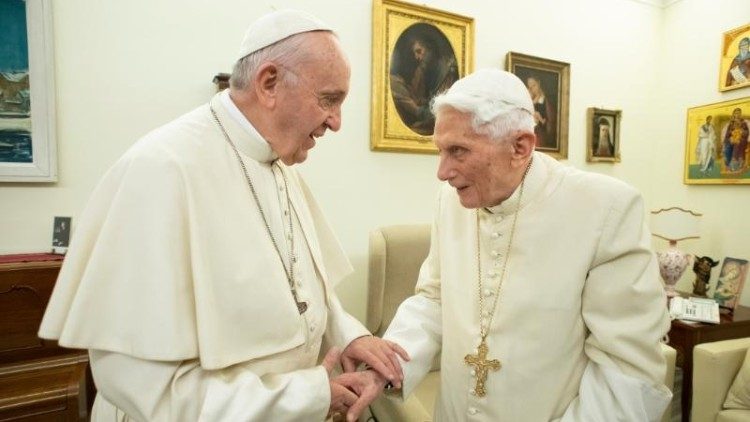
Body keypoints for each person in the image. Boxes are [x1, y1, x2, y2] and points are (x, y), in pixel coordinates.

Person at [38, 10, 406, 422]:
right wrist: (309, 394)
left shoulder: (279, 165)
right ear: (269, 83)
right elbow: (146, 389)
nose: (336, 122)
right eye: (329, 99)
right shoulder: (162, 169)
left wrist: (348, 334)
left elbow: (302, 291)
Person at [357, 69, 673, 420]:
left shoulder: (606, 209)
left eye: (458, 151)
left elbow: (627, 369)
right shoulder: (450, 200)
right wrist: (385, 368)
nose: (442, 172)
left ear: (520, 147)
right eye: (441, 151)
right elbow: (434, 299)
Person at [390, 30, 458, 136]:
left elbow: (429, 105)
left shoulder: (426, 71)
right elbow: (420, 108)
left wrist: (420, 109)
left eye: (419, 51)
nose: (418, 57)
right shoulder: (398, 81)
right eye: (413, 53)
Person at [525, 76, 556, 149]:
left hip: (541, 141)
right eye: (529, 87)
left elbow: (552, 127)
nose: (532, 89)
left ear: (538, 83)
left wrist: (541, 120)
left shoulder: (548, 103)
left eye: (534, 85)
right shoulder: (529, 101)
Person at [721, 107, 749, 173]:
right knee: (727, 147)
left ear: (740, 114)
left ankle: (736, 166)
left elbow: (747, 133)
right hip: (732, 139)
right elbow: (727, 134)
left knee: (737, 144)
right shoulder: (731, 123)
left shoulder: (744, 123)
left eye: (739, 113)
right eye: (736, 113)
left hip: (741, 139)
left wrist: (741, 132)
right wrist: (730, 137)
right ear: (734, 114)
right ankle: (728, 165)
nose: (738, 114)